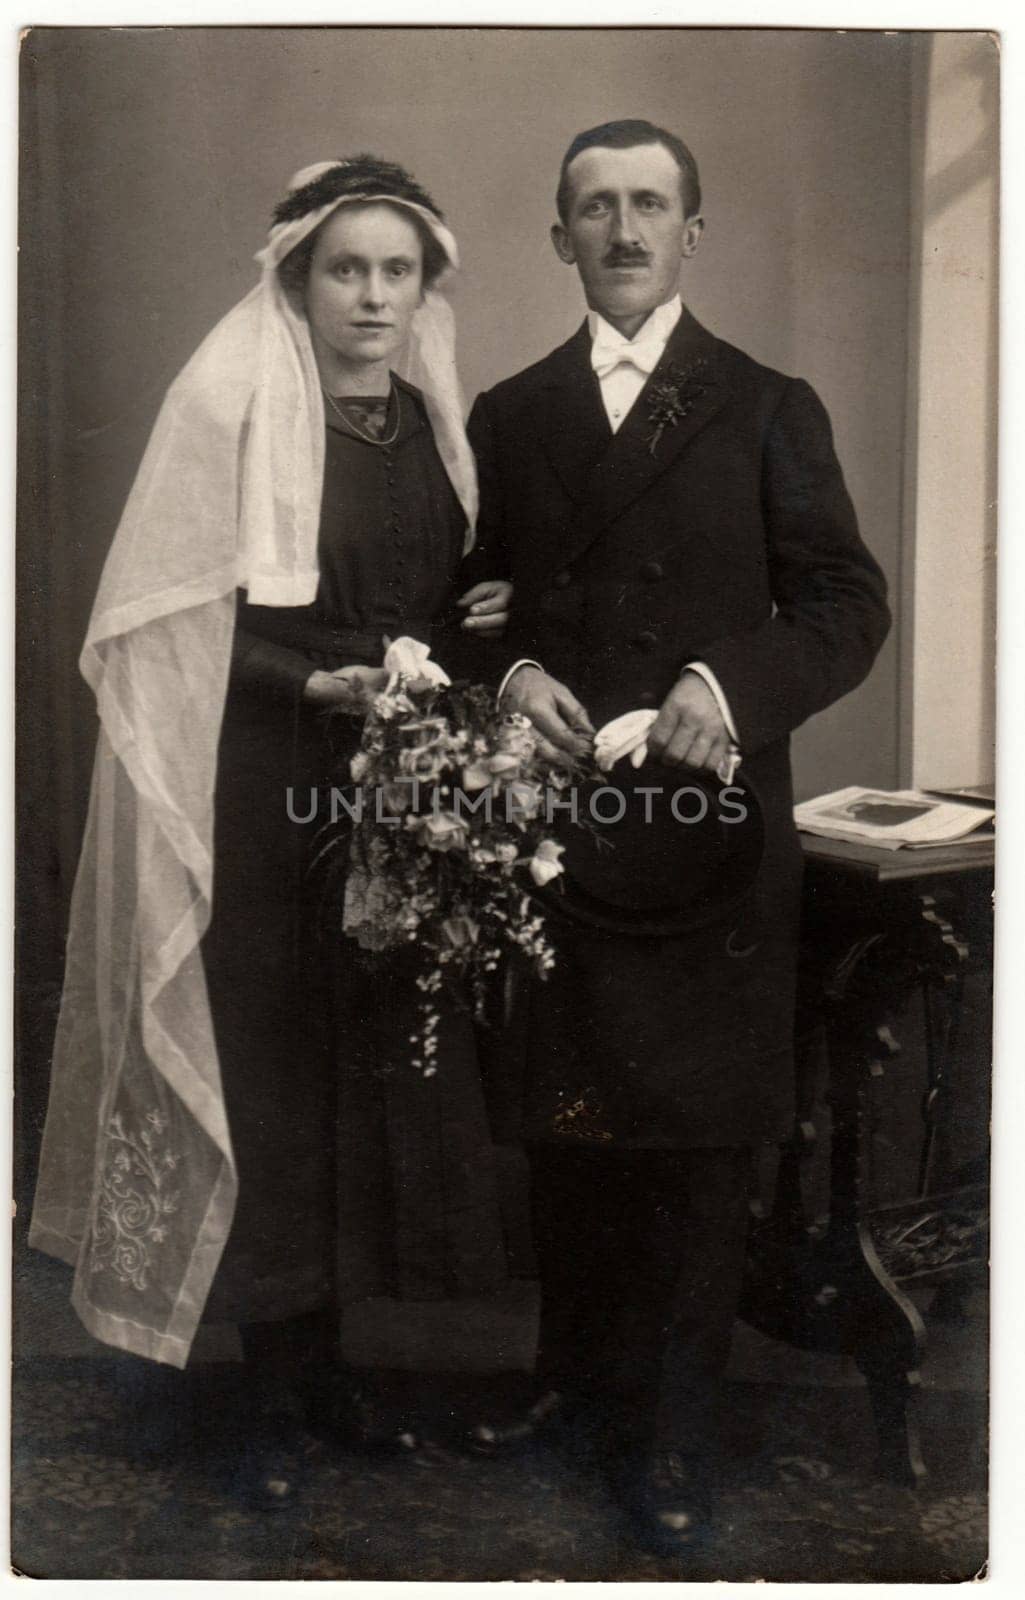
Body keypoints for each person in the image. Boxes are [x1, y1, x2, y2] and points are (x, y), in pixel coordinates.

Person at [29, 155, 513, 1508]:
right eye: (344, 269)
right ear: (296, 280)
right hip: (255, 780)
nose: (371, 295)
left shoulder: (426, 421)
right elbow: (166, 616)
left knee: (353, 1075)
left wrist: (475, 616)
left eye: (395, 270)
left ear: (425, 286)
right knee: (258, 1077)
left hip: (381, 786)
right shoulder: (229, 403)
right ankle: (232, 1396)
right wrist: (308, 681)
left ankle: (325, 1370)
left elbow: (440, 583)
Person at [465, 120, 891, 1554]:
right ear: (559, 236)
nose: (625, 228)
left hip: (707, 833)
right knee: (573, 1129)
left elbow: (843, 604)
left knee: (697, 1148)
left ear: (692, 231)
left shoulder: (767, 404)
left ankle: (671, 1439)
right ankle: (570, 1392)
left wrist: (725, 685)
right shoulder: (512, 415)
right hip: (570, 832)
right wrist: (514, 676)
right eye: (596, 206)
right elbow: (485, 606)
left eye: (651, 204)